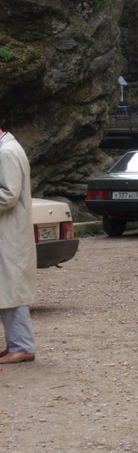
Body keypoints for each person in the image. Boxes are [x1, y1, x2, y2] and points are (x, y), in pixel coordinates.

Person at [0, 126, 37, 364]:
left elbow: (9, 195)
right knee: (7, 287)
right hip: (8, 231)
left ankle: (22, 346)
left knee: (12, 288)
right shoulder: (9, 148)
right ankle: (16, 344)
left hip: (9, 232)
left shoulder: (6, 153)